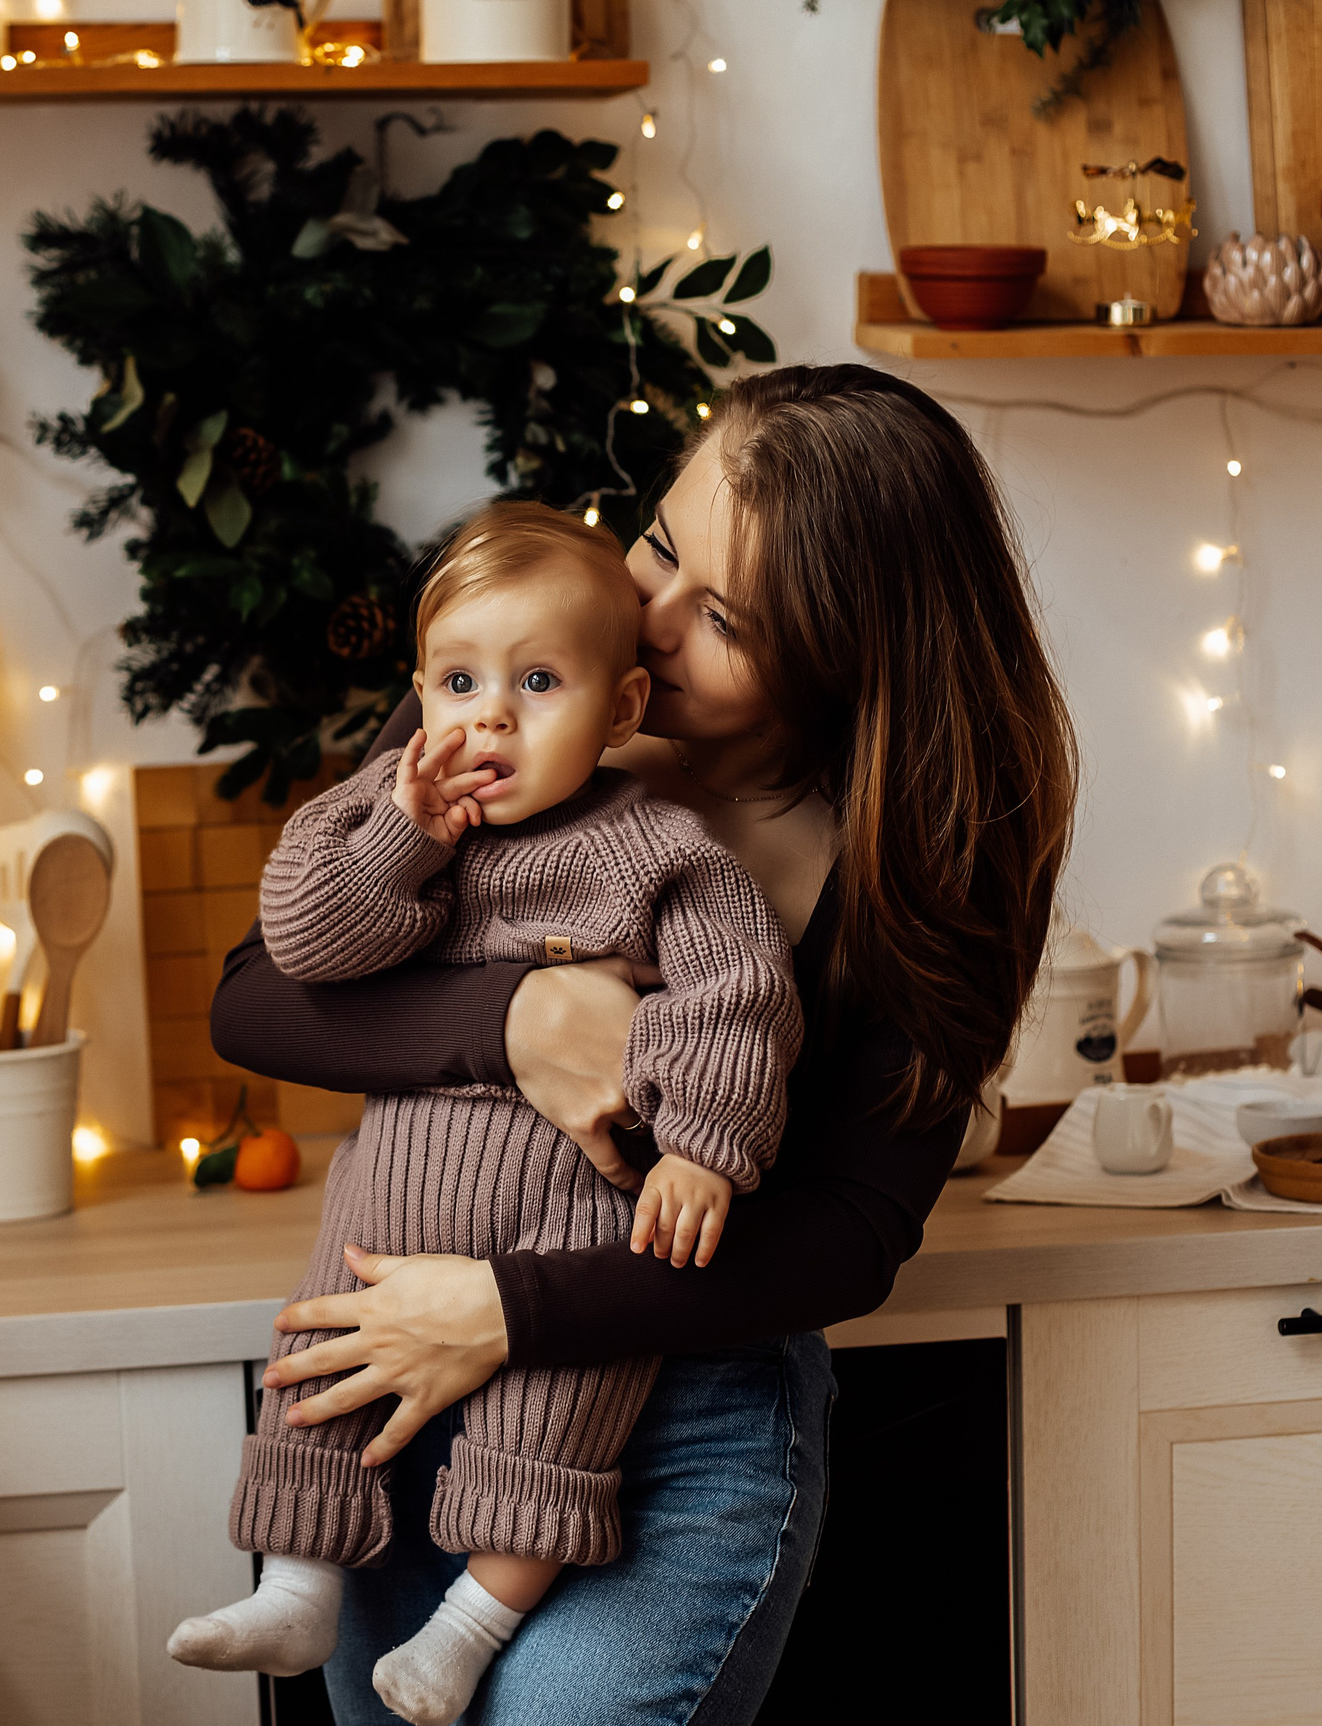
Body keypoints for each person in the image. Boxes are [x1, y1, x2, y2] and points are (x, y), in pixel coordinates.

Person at [209, 364, 1079, 1724]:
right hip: (391, 1368)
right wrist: (514, 1020)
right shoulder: (524, 671)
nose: (651, 618)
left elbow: (851, 1231)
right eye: (664, 542)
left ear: (850, 656)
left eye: (725, 616)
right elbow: (258, 993)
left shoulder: (924, 849)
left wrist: (505, 1309)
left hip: (674, 1400)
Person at [170, 501, 802, 1726]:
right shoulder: (406, 820)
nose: (489, 715)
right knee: (318, 1371)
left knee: (552, 1436)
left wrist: (706, 1153)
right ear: (420, 692)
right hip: (388, 1208)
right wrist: (400, 836)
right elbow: (300, 947)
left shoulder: (658, 850)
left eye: (538, 683)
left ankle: (464, 1632)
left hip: (562, 1237)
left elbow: (739, 999)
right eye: (458, 681)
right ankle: (297, 1586)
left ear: (619, 709)